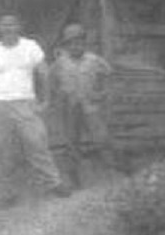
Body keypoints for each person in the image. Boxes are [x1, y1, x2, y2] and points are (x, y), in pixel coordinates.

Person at [0, 14, 70, 204]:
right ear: (0, 28)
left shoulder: (30, 47)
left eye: (12, 24)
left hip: (25, 102)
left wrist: (46, 99)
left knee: (37, 143)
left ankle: (53, 183)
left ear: (19, 27)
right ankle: (6, 192)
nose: (8, 28)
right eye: (4, 25)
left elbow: (43, 72)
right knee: (0, 149)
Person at [50, 23, 119, 188]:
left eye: (79, 42)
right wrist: (58, 94)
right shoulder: (60, 62)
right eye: (71, 43)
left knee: (101, 137)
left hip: (90, 105)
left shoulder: (94, 60)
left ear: (84, 43)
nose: (76, 46)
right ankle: (74, 176)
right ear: (66, 45)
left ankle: (114, 168)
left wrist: (103, 93)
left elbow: (109, 75)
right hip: (70, 106)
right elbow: (51, 80)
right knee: (72, 141)